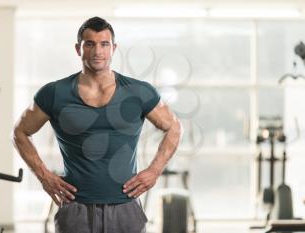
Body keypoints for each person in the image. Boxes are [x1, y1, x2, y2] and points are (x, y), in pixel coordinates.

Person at [12, 16, 183, 233]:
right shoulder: (55, 93)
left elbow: (174, 127)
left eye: (104, 44)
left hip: (125, 206)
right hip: (76, 208)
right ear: (78, 49)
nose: (98, 51)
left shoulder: (138, 92)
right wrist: (45, 177)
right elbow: (19, 132)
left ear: (114, 48)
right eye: (90, 44)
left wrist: (154, 171)